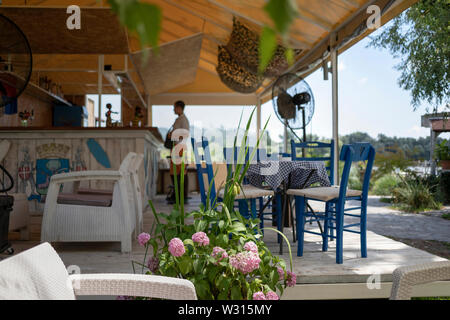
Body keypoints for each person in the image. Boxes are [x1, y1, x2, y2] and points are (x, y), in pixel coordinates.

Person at [167, 101, 190, 204]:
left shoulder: (183, 120)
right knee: (175, 172)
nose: (173, 109)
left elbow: (185, 134)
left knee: (180, 173)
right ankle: (178, 195)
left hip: (179, 147)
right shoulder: (179, 119)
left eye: (174, 107)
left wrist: (173, 135)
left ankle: (181, 196)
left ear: (179, 108)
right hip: (176, 147)